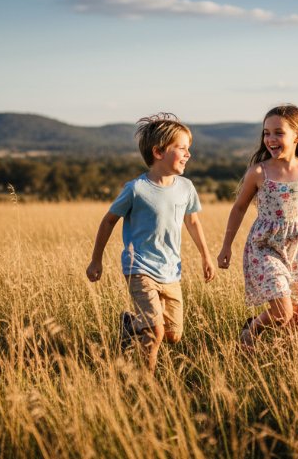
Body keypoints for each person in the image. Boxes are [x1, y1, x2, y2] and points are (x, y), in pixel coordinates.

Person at [86, 113, 215, 372]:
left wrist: (206, 256)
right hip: (139, 268)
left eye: (188, 149)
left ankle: (130, 326)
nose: (188, 154)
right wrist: (96, 259)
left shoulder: (186, 187)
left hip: (171, 272)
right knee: (155, 333)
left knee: (172, 335)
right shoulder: (136, 189)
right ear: (158, 152)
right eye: (181, 148)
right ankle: (148, 385)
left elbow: (193, 222)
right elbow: (109, 221)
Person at [216, 104, 298, 350]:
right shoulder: (259, 172)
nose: (270, 139)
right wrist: (226, 246)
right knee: (282, 311)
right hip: (265, 246)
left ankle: (294, 363)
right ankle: (251, 330)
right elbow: (238, 208)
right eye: (266, 133)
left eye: (278, 132)